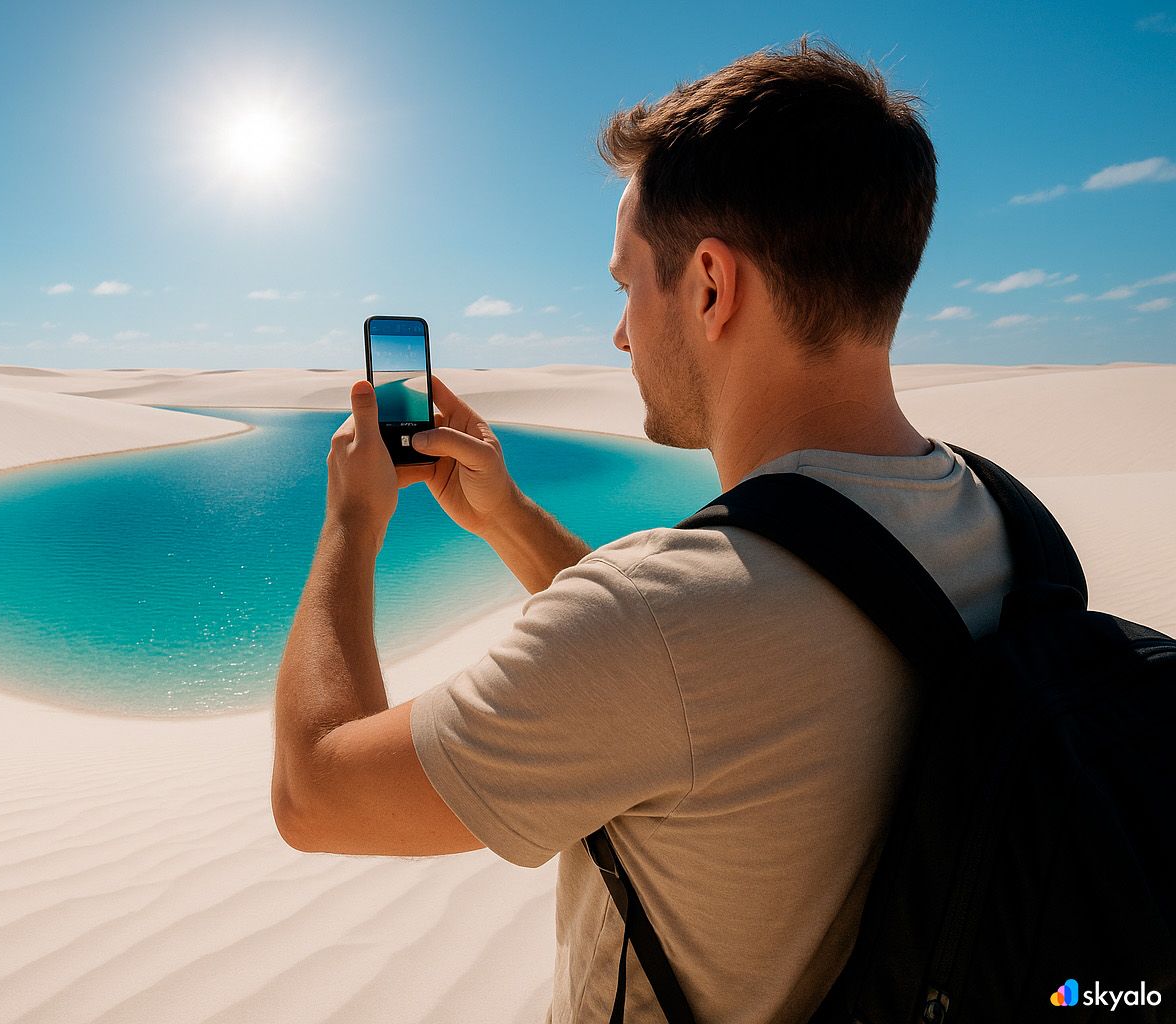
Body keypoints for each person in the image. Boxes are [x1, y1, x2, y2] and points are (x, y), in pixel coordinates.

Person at [270, 37, 1014, 1024]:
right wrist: (508, 517)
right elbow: (688, 667)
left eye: (627, 284)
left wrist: (350, 527)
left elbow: (316, 794)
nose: (620, 333)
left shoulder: (666, 629)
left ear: (710, 284)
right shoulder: (998, 521)